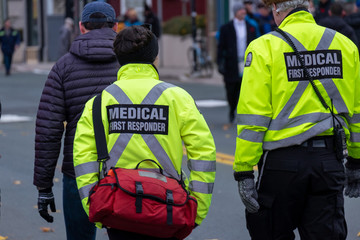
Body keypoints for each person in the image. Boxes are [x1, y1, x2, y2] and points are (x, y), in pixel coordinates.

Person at [73, 25, 216, 240]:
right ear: (154, 57)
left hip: (117, 207)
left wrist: (95, 206)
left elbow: (84, 158)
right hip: (167, 207)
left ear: (118, 58)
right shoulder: (177, 98)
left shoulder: (99, 102)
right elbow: (203, 153)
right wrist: (197, 210)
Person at [233, 0, 360, 238]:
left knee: (270, 232)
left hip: (281, 164)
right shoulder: (345, 46)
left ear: (277, 10)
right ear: (308, 7)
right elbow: (356, 110)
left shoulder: (263, 47)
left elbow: (253, 118)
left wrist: (244, 171)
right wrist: (356, 160)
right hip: (329, 161)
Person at [33, 2, 119, 240]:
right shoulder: (130, 66)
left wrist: (44, 187)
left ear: (81, 27)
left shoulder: (63, 67)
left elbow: (48, 130)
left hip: (78, 171)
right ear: (116, 27)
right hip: (126, 170)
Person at [217, 3, 260, 124]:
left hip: (247, 63)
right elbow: (220, 47)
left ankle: (242, 113)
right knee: (231, 90)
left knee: (245, 89)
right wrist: (220, 63)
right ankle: (232, 109)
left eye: (243, 9)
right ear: (236, 12)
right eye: (241, 10)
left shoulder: (250, 26)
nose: (243, 11)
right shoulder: (226, 28)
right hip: (231, 64)